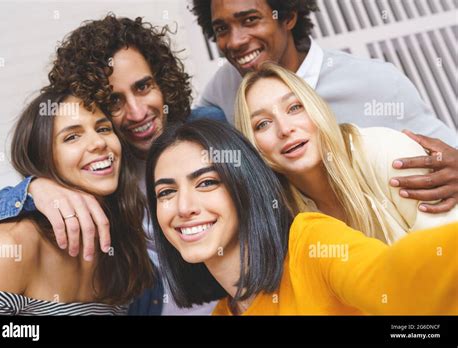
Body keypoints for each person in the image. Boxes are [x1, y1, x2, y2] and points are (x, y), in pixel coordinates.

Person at [0, 14, 217, 314]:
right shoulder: (22, 239)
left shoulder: (120, 251)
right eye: (115, 102)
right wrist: (31, 189)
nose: (136, 112)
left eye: (144, 86)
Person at [145, 119, 457, 315]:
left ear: (244, 187)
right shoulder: (223, 313)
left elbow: (395, 280)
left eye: (207, 183)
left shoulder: (311, 243)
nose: (184, 207)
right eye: (166, 192)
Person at [191, 0, 458, 214]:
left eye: (250, 20)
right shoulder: (223, 88)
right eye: (222, 29)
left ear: (288, 16)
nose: (235, 41)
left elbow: (445, 153)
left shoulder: (374, 82)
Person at [234, 63, 457, 244]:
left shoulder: (387, 151)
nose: (284, 129)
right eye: (262, 124)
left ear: (317, 108)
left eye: (294, 108)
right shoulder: (280, 216)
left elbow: (446, 255)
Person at [0, 90, 154, 315]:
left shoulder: (121, 247)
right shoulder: (9, 246)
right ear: (42, 158)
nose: (98, 142)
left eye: (103, 129)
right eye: (72, 137)